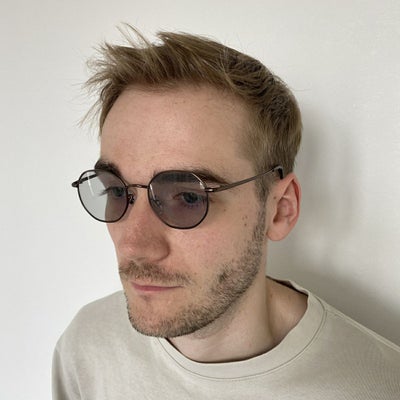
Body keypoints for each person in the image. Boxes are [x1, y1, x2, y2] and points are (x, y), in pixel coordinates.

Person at [53, 27, 400, 399]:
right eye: (117, 191)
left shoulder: (378, 386)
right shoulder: (88, 348)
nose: (134, 245)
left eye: (188, 198)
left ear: (280, 210)